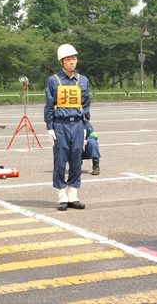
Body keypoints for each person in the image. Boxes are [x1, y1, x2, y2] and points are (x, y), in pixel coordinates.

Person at [44, 44, 91, 211]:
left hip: (78, 124)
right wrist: (49, 127)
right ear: (61, 61)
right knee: (60, 160)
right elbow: (49, 105)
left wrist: (86, 127)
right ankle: (61, 196)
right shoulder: (53, 81)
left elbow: (86, 105)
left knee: (76, 160)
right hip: (60, 124)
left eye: (74, 58)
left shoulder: (83, 80)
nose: (72, 62)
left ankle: (73, 195)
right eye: (68, 59)